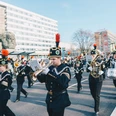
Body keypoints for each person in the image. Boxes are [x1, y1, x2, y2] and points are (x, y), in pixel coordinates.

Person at [34, 34, 71, 116]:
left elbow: (63, 83)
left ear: (59, 58)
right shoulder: (50, 68)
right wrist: (38, 73)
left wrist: (49, 73)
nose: (51, 61)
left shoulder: (65, 69)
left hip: (60, 98)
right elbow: (43, 80)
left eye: (54, 59)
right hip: (50, 98)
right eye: (51, 59)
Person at [87, 44, 105, 115]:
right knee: (92, 93)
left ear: (96, 55)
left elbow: (104, 69)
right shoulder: (89, 61)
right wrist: (89, 67)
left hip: (98, 79)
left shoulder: (100, 61)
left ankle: (96, 109)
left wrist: (102, 72)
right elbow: (87, 70)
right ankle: (96, 101)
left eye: (93, 55)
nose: (92, 56)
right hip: (91, 78)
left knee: (97, 94)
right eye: (91, 55)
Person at [0, 49, 15, 116]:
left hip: (4, 94)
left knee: (1, 110)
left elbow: (6, 84)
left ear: (4, 66)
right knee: (4, 109)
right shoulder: (1, 73)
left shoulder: (7, 75)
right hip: (1, 94)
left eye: (0, 66)